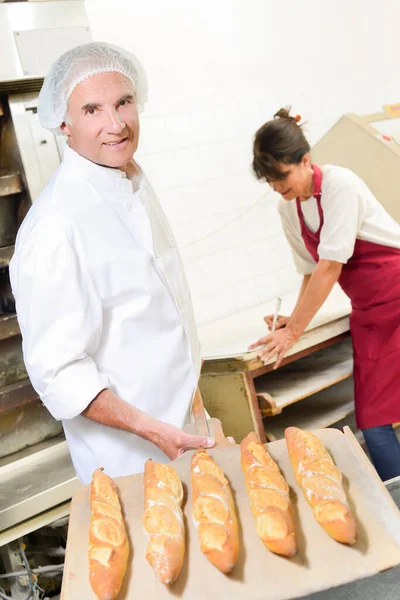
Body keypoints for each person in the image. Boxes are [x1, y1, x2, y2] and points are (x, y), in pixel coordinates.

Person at [9, 42, 216, 484]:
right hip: (129, 463)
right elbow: (60, 372)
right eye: (92, 110)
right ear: (63, 124)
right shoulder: (54, 226)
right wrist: (151, 429)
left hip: (185, 435)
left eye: (123, 102)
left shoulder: (129, 181)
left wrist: (196, 413)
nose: (116, 124)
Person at [249, 107, 400, 481]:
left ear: (305, 160)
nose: (276, 187)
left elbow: (331, 266)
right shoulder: (289, 208)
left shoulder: (339, 185)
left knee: (382, 420)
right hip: (370, 313)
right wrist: (293, 317)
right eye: (269, 180)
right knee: (373, 419)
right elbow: (310, 272)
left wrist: (293, 331)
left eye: (281, 176)